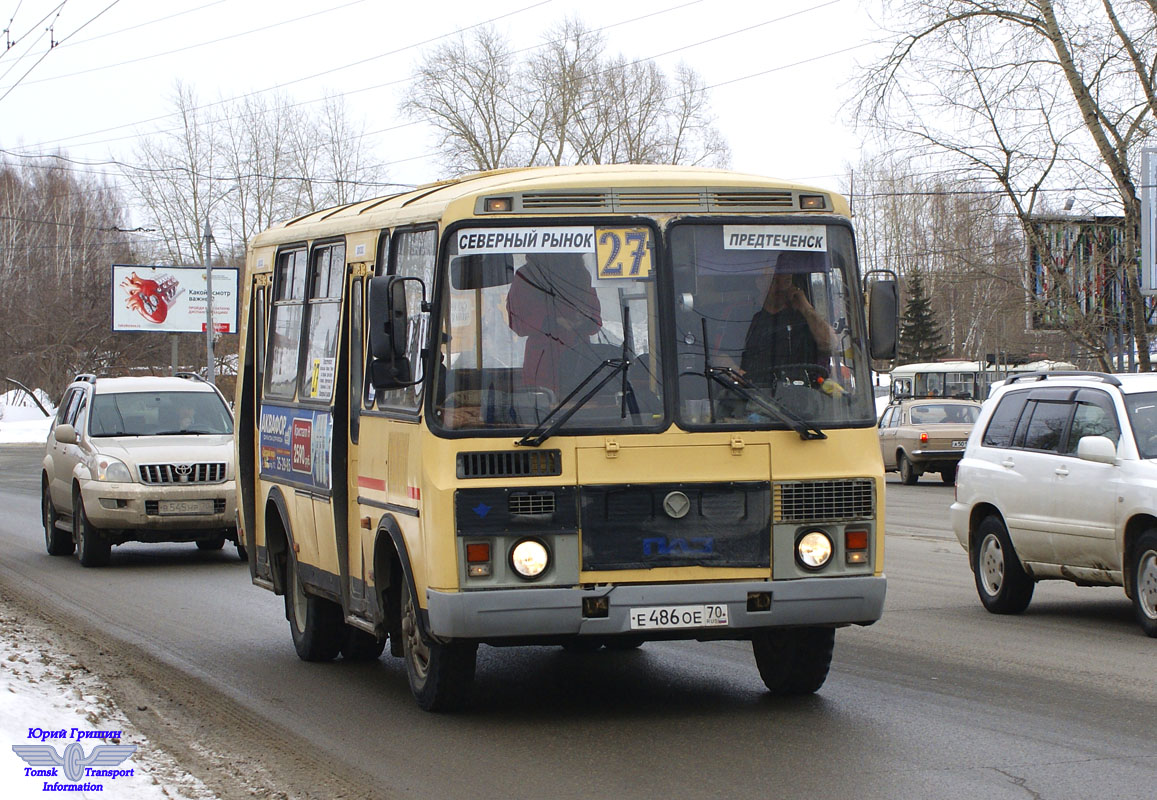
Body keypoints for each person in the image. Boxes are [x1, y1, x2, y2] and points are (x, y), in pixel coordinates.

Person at [506, 253, 602, 394]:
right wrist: (551, 322)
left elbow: (595, 319)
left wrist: (583, 320)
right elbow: (516, 319)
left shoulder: (581, 274)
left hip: (580, 359)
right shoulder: (527, 275)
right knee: (544, 408)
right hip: (543, 359)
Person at [739, 251, 836, 387]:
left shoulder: (805, 321)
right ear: (760, 283)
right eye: (775, 281)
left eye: (786, 281)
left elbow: (830, 343)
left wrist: (806, 308)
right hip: (751, 395)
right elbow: (720, 356)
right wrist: (739, 376)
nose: (782, 287)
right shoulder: (743, 318)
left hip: (804, 398)